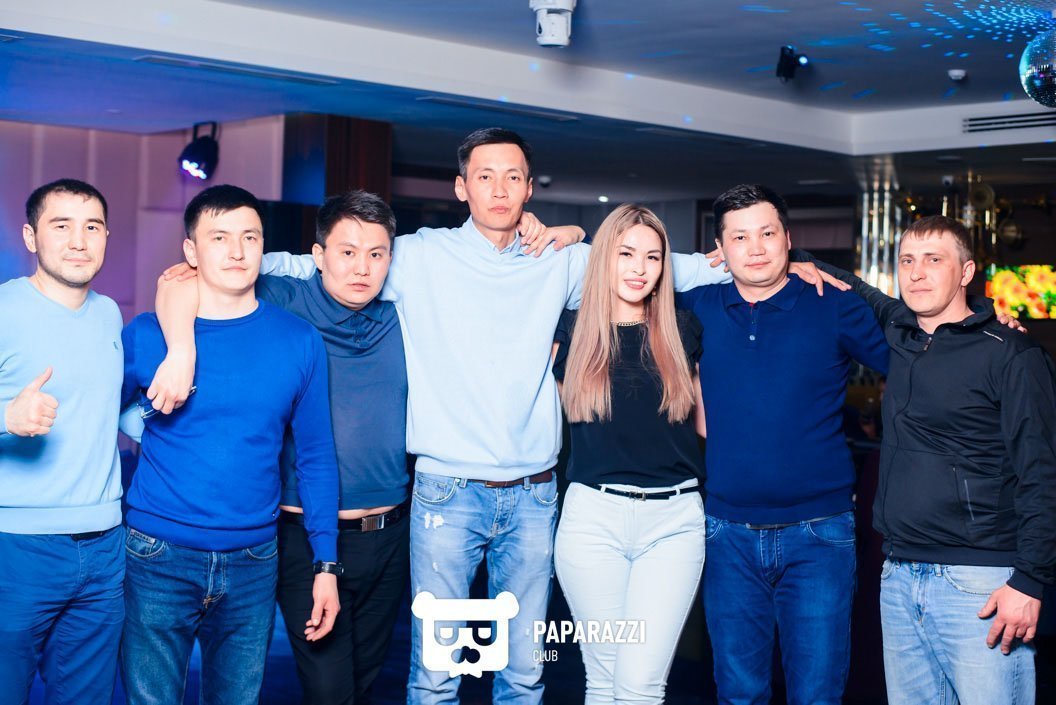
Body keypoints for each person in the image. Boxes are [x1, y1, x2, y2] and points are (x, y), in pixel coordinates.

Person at [154, 129, 835, 704]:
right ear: (462, 188)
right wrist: (187, 297)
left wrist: (792, 268)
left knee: (525, 671)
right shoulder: (414, 256)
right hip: (445, 493)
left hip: (536, 494)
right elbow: (274, 267)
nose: (500, 189)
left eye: (513, 177)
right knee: (437, 672)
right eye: (485, 176)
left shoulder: (562, 260)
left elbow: (672, 267)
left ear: (529, 188)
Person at [153, 190, 409, 705]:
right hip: (303, 534)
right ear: (319, 256)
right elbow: (178, 281)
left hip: (391, 533)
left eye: (376, 254)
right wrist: (180, 350)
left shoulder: (403, 315)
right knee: (329, 689)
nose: (362, 268)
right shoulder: (283, 299)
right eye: (347, 252)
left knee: (364, 682)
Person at [802, 214, 1056, 705]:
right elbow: (852, 286)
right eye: (907, 261)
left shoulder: (1012, 354)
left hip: (979, 583)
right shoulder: (900, 328)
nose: (916, 273)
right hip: (900, 575)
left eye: (933, 260)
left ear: (966, 272)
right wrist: (786, 255)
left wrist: (1030, 581)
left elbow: (1042, 474)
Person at [118, 184, 341, 705]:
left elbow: (315, 457)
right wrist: (146, 416)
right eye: (219, 237)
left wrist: (326, 564)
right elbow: (92, 419)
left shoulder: (298, 340)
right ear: (191, 251)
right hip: (157, 553)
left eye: (250, 237)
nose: (237, 251)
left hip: (253, 558)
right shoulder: (147, 334)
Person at [677, 184, 889, 705]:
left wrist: (983, 319)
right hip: (726, 532)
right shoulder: (695, 307)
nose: (755, 248)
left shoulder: (831, 304)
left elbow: (915, 351)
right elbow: (618, 287)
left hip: (820, 533)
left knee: (817, 694)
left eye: (767, 233)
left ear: (788, 239)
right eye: (739, 237)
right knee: (738, 693)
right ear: (719, 249)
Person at [552, 204, 706, 704]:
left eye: (653, 257)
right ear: (603, 258)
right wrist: (568, 232)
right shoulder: (571, 331)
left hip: (673, 524)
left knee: (640, 684)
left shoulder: (683, 329)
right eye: (626, 253)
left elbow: (707, 426)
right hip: (592, 522)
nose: (640, 268)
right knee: (603, 681)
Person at [0, 179, 124, 705]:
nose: (78, 241)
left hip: (105, 547)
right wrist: (6, 415)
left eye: (92, 226)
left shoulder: (110, 313)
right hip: (15, 547)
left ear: (106, 237)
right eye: (61, 225)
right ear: (31, 237)